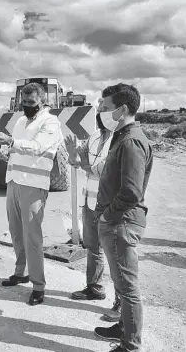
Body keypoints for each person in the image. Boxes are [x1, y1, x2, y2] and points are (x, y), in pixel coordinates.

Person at [0, 82, 63, 306]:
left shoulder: (50, 122)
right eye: (24, 102)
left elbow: (38, 147)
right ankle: (20, 272)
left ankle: (38, 285)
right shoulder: (21, 121)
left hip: (33, 185)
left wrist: (11, 142)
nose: (27, 106)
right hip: (13, 182)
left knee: (32, 238)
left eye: (31, 103)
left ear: (42, 101)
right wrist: (6, 152)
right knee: (16, 232)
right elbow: (17, 148)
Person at [93, 84, 153, 352]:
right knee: (121, 283)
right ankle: (124, 328)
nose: (102, 112)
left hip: (121, 222)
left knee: (127, 288)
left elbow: (131, 191)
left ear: (123, 109)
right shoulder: (123, 136)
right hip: (118, 220)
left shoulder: (130, 141)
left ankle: (130, 345)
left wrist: (107, 216)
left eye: (106, 108)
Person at [65, 98, 121, 323]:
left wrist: (84, 165)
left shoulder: (120, 140)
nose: (100, 115)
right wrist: (72, 154)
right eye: (98, 111)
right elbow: (77, 162)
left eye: (104, 110)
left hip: (109, 206)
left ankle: (121, 301)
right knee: (93, 248)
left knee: (115, 257)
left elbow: (102, 171)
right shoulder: (94, 137)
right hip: (90, 202)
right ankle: (94, 288)